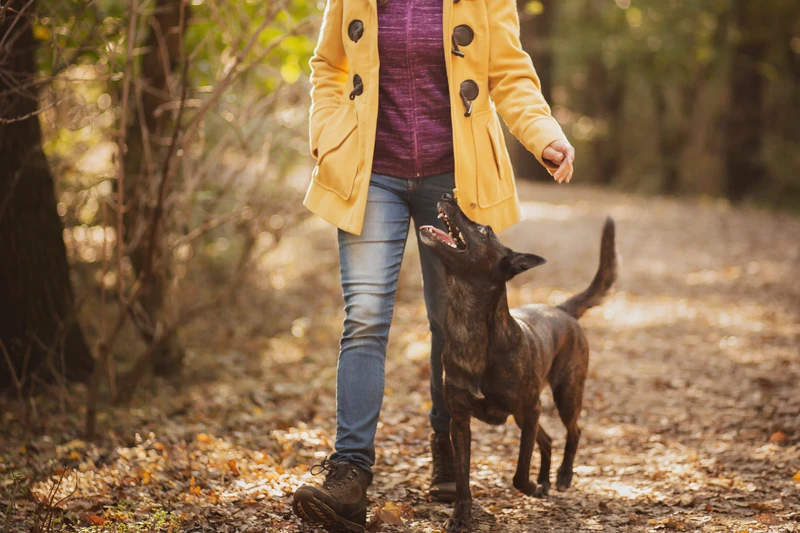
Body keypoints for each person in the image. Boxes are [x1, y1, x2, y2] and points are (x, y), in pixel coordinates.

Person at [292, 0, 574, 529]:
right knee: (366, 318)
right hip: (369, 172)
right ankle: (349, 471)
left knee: (453, 322)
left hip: (454, 175)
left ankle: (448, 449)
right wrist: (326, 137)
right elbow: (328, 66)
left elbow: (509, 73)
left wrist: (544, 134)